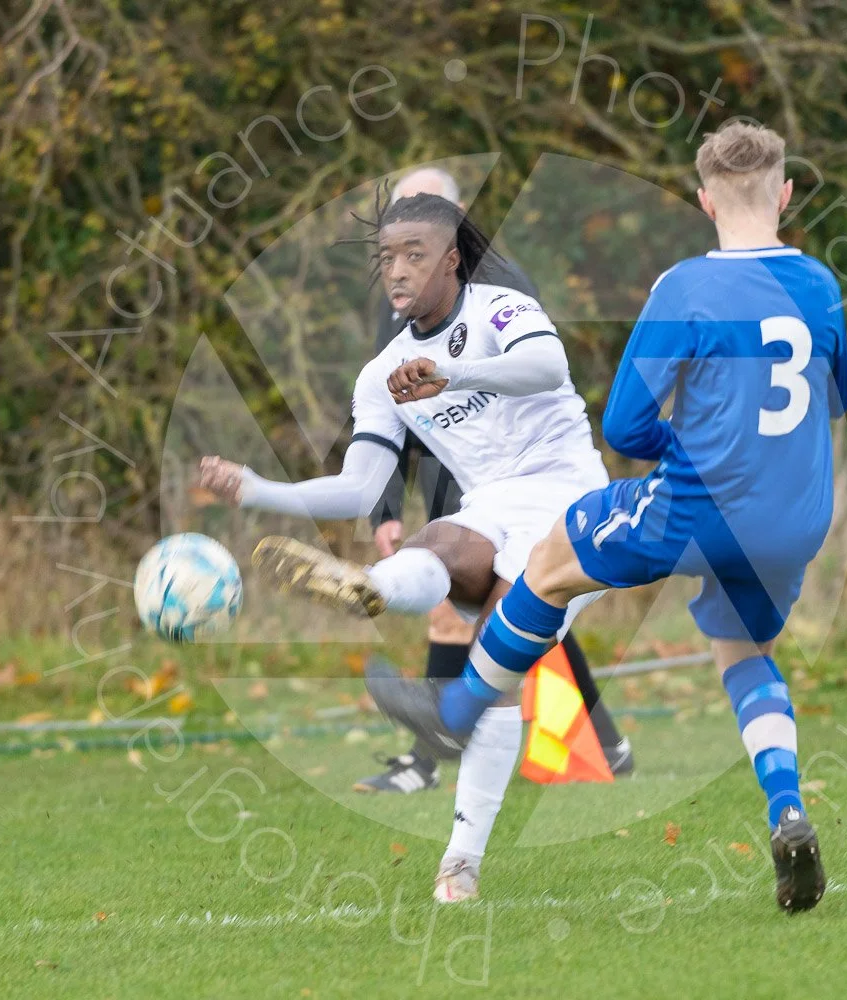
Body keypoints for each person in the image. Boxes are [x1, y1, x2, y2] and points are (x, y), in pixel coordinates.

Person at [365, 121, 847, 913]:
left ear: (702, 200)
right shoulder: (820, 286)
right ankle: (787, 808)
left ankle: (456, 709)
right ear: (786, 194)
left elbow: (625, 427)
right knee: (743, 654)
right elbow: (837, 400)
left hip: (702, 504)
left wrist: (683, 444)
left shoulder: (686, 288)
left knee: (555, 558)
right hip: (797, 518)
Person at [198, 192, 615, 903]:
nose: (396, 270)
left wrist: (457, 374)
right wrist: (259, 488)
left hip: (571, 504)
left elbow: (547, 367)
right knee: (442, 540)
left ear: (452, 259)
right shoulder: (382, 372)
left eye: (414, 254)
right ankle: (373, 587)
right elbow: (361, 489)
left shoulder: (499, 310)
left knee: (495, 666)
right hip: (491, 507)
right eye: (386, 257)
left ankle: (461, 857)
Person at [356, 168, 630, 796]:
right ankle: (599, 739)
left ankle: (433, 747)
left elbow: (532, 369)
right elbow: (387, 407)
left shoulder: (498, 285)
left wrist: (455, 375)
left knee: (509, 609)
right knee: (519, 609)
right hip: (461, 472)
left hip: (522, 472)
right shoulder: (399, 296)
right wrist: (385, 510)